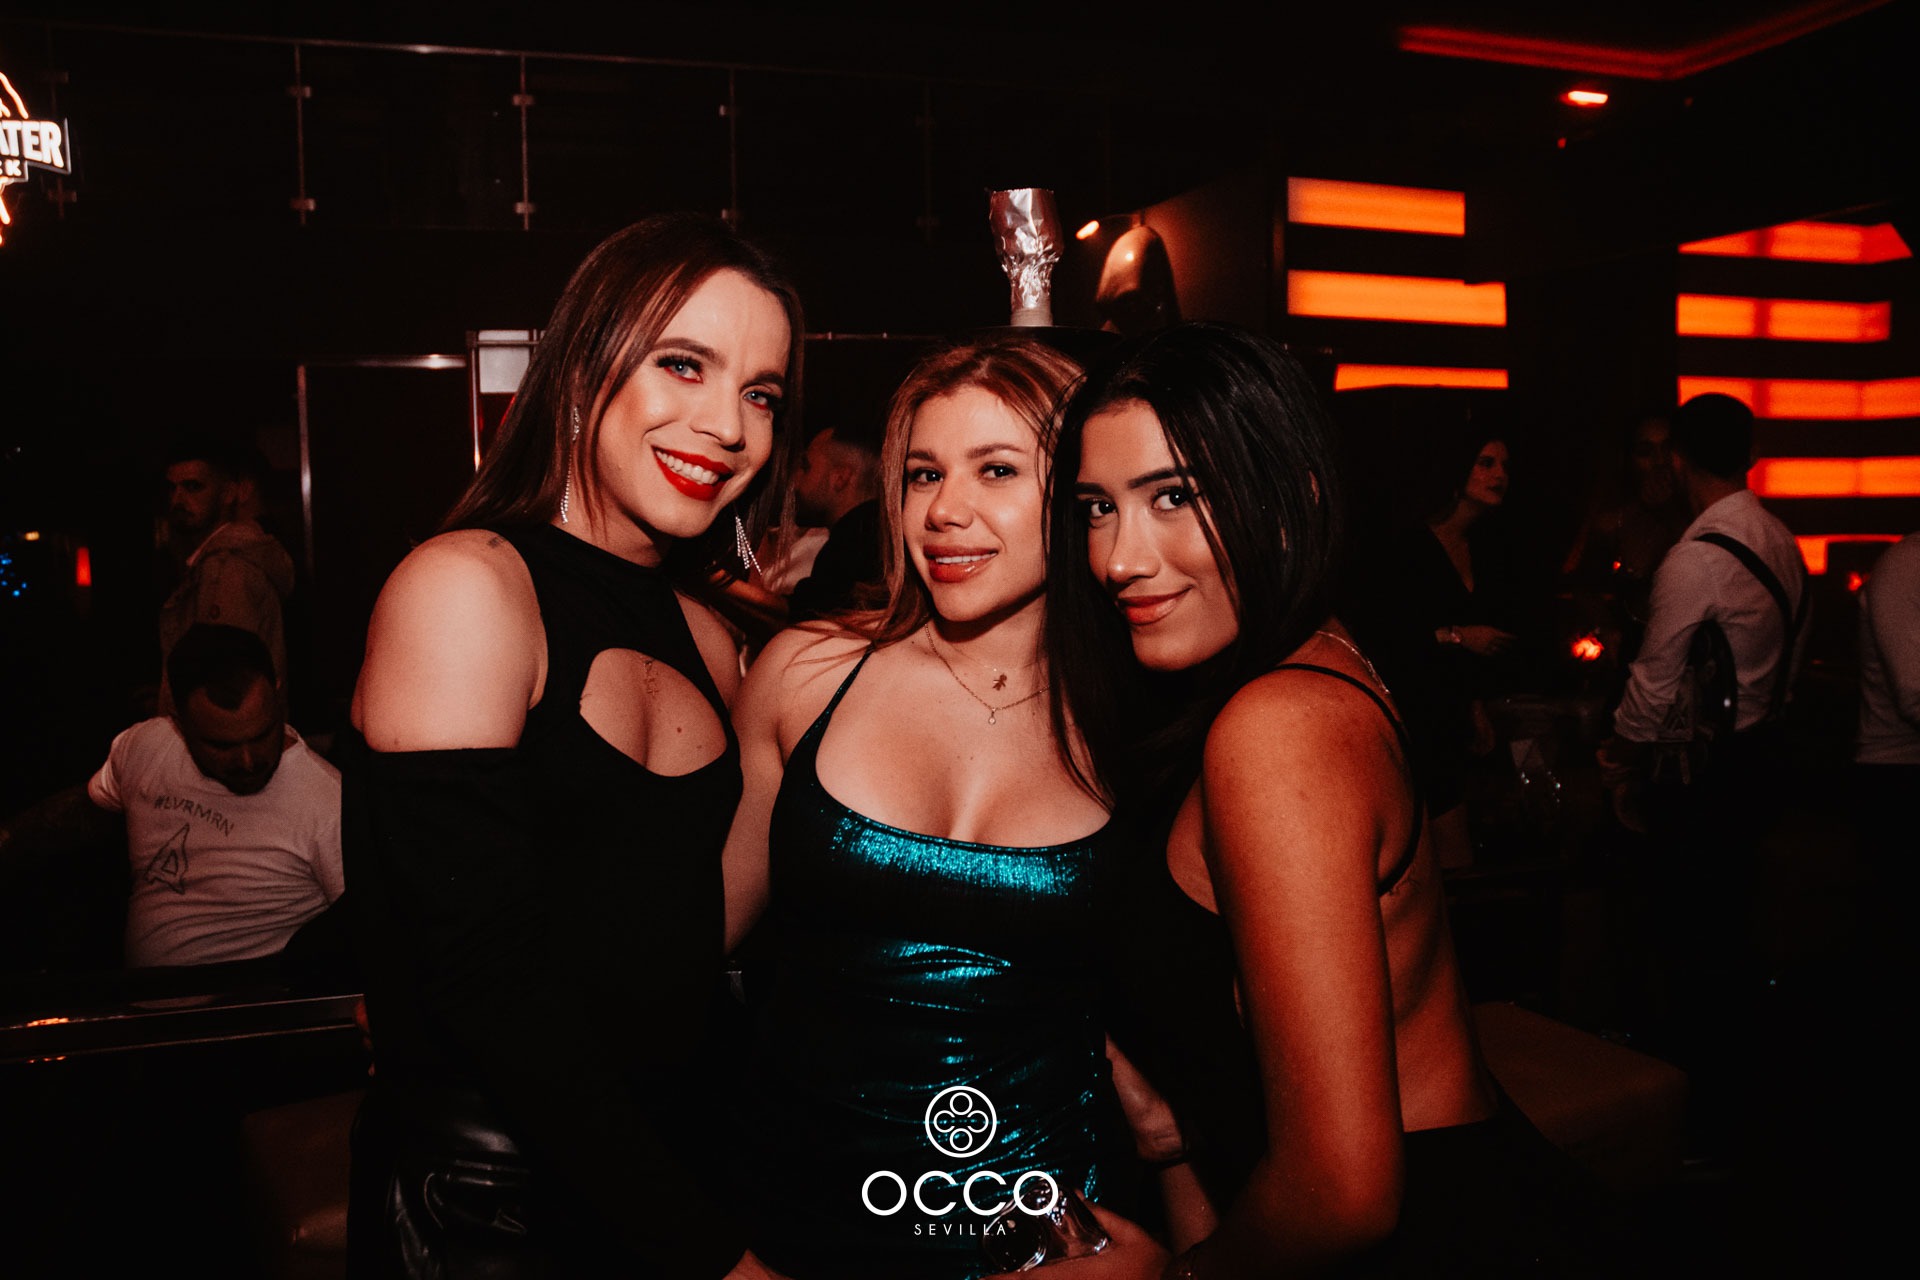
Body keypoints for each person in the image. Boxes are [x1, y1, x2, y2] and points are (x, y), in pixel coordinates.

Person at [1046, 323, 1602, 1277]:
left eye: (1174, 497)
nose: (1118, 559)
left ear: (1292, 499)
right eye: (1099, 507)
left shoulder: (1280, 724)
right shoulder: (1303, 657)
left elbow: (1342, 1196)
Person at [343, 213, 802, 1279]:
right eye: (683, 364)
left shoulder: (709, 637)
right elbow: (488, 980)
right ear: (586, 368)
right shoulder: (468, 586)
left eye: (761, 394)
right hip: (491, 1207)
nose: (726, 426)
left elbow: (682, 935)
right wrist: (712, 1256)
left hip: (673, 1166)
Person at [723, 336, 1131, 1280]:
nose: (944, 510)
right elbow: (690, 944)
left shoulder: (1136, 717)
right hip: (798, 1217)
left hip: (1049, 1238)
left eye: (997, 470)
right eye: (923, 473)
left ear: (1079, 493)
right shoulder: (807, 675)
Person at [1596, 392, 1808, 1139]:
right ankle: (1740, 1109)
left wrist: (1616, 762)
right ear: (1750, 456)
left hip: (1702, 777)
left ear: (1680, 459)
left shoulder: (1695, 559)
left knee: (1686, 949)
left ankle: (1695, 1117)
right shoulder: (1782, 541)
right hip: (1763, 758)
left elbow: (1652, 689)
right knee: (1734, 940)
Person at [0, 623, 340, 968]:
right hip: (142, 996)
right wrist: (8, 839)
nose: (248, 761)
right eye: (221, 745)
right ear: (178, 718)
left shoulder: (328, 800)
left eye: (262, 734)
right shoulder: (145, 747)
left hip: (250, 998)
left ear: (277, 695)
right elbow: (83, 812)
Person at [1345, 427, 1521, 869]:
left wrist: (1475, 706)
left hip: (1450, 717)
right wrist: (1458, 635)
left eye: (1505, 465)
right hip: (1412, 717)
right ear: (1458, 471)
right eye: (1486, 463)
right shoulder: (1408, 547)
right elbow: (1382, 637)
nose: (1499, 475)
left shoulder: (1482, 546)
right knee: (1444, 856)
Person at [158, 438, 295, 716]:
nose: (178, 500)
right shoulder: (212, 562)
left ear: (229, 493)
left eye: (193, 487)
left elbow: (224, 686)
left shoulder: (227, 569)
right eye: (172, 488)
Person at [784, 422, 883, 621]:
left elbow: (806, 619)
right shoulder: (867, 529)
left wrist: (722, 581)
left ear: (840, 478)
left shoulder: (855, 540)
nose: (794, 480)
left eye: (805, 467)